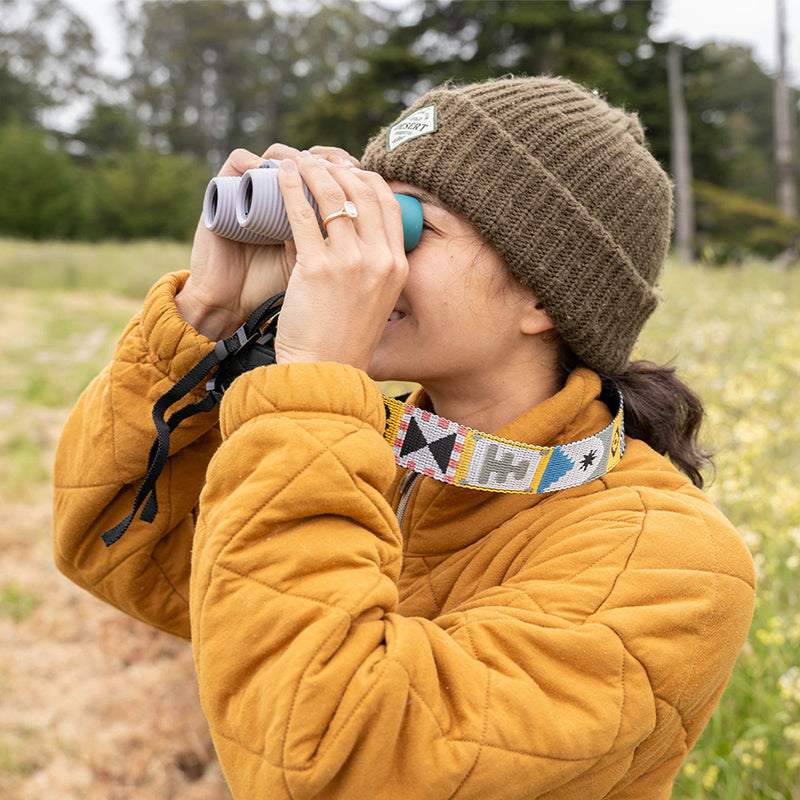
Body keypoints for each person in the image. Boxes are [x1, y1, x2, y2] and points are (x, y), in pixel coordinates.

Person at [53, 76, 755, 799]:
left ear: (544, 294)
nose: (367, 250)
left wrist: (314, 382)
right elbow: (116, 545)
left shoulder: (671, 561)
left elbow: (333, 762)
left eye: (407, 222)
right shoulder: (392, 458)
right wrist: (211, 311)